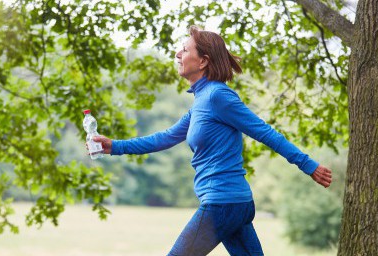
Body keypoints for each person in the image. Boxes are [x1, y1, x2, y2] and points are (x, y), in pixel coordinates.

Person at [90, 26, 333, 255]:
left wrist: (308, 165)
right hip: (233, 204)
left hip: (223, 203)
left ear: (204, 61)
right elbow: (164, 138)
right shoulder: (201, 102)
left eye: (185, 50)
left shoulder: (218, 96)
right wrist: (115, 146)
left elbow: (265, 132)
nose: (177, 54)